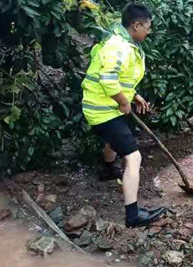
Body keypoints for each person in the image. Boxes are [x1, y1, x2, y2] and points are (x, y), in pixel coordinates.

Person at [81, 3, 164, 228]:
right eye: (148, 27)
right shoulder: (118, 46)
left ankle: (107, 169)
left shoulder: (123, 42)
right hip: (102, 110)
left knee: (114, 139)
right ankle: (133, 215)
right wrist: (123, 102)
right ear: (136, 25)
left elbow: (118, 77)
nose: (149, 31)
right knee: (134, 157)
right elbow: (107, 80)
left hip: (105, 107)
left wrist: (133, 96)